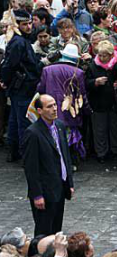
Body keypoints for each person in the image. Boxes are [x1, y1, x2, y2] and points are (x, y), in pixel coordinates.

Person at [22, 94, 75, 236]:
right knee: (43, 233)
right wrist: (37, 194)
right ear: (39, 110)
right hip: (45, 191)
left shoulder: (59, 126)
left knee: (57, 230)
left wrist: (69, 182)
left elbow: (65, 156)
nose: (54, 109)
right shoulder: (33, 133)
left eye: (54, 105)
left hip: (60, 187)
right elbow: (31, 168)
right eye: (49, 106)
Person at [1, 10, 43, 162]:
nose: (29, 26)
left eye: (30, 23)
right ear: (17, 25)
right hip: (23, 87)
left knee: (15, 120)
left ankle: (15, 152)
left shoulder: (20, 40)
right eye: (24, 24)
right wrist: (4, 80)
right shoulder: (18, 42)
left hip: (22, 86)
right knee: (23, 122)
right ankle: (25, 155)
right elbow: (9, 65)